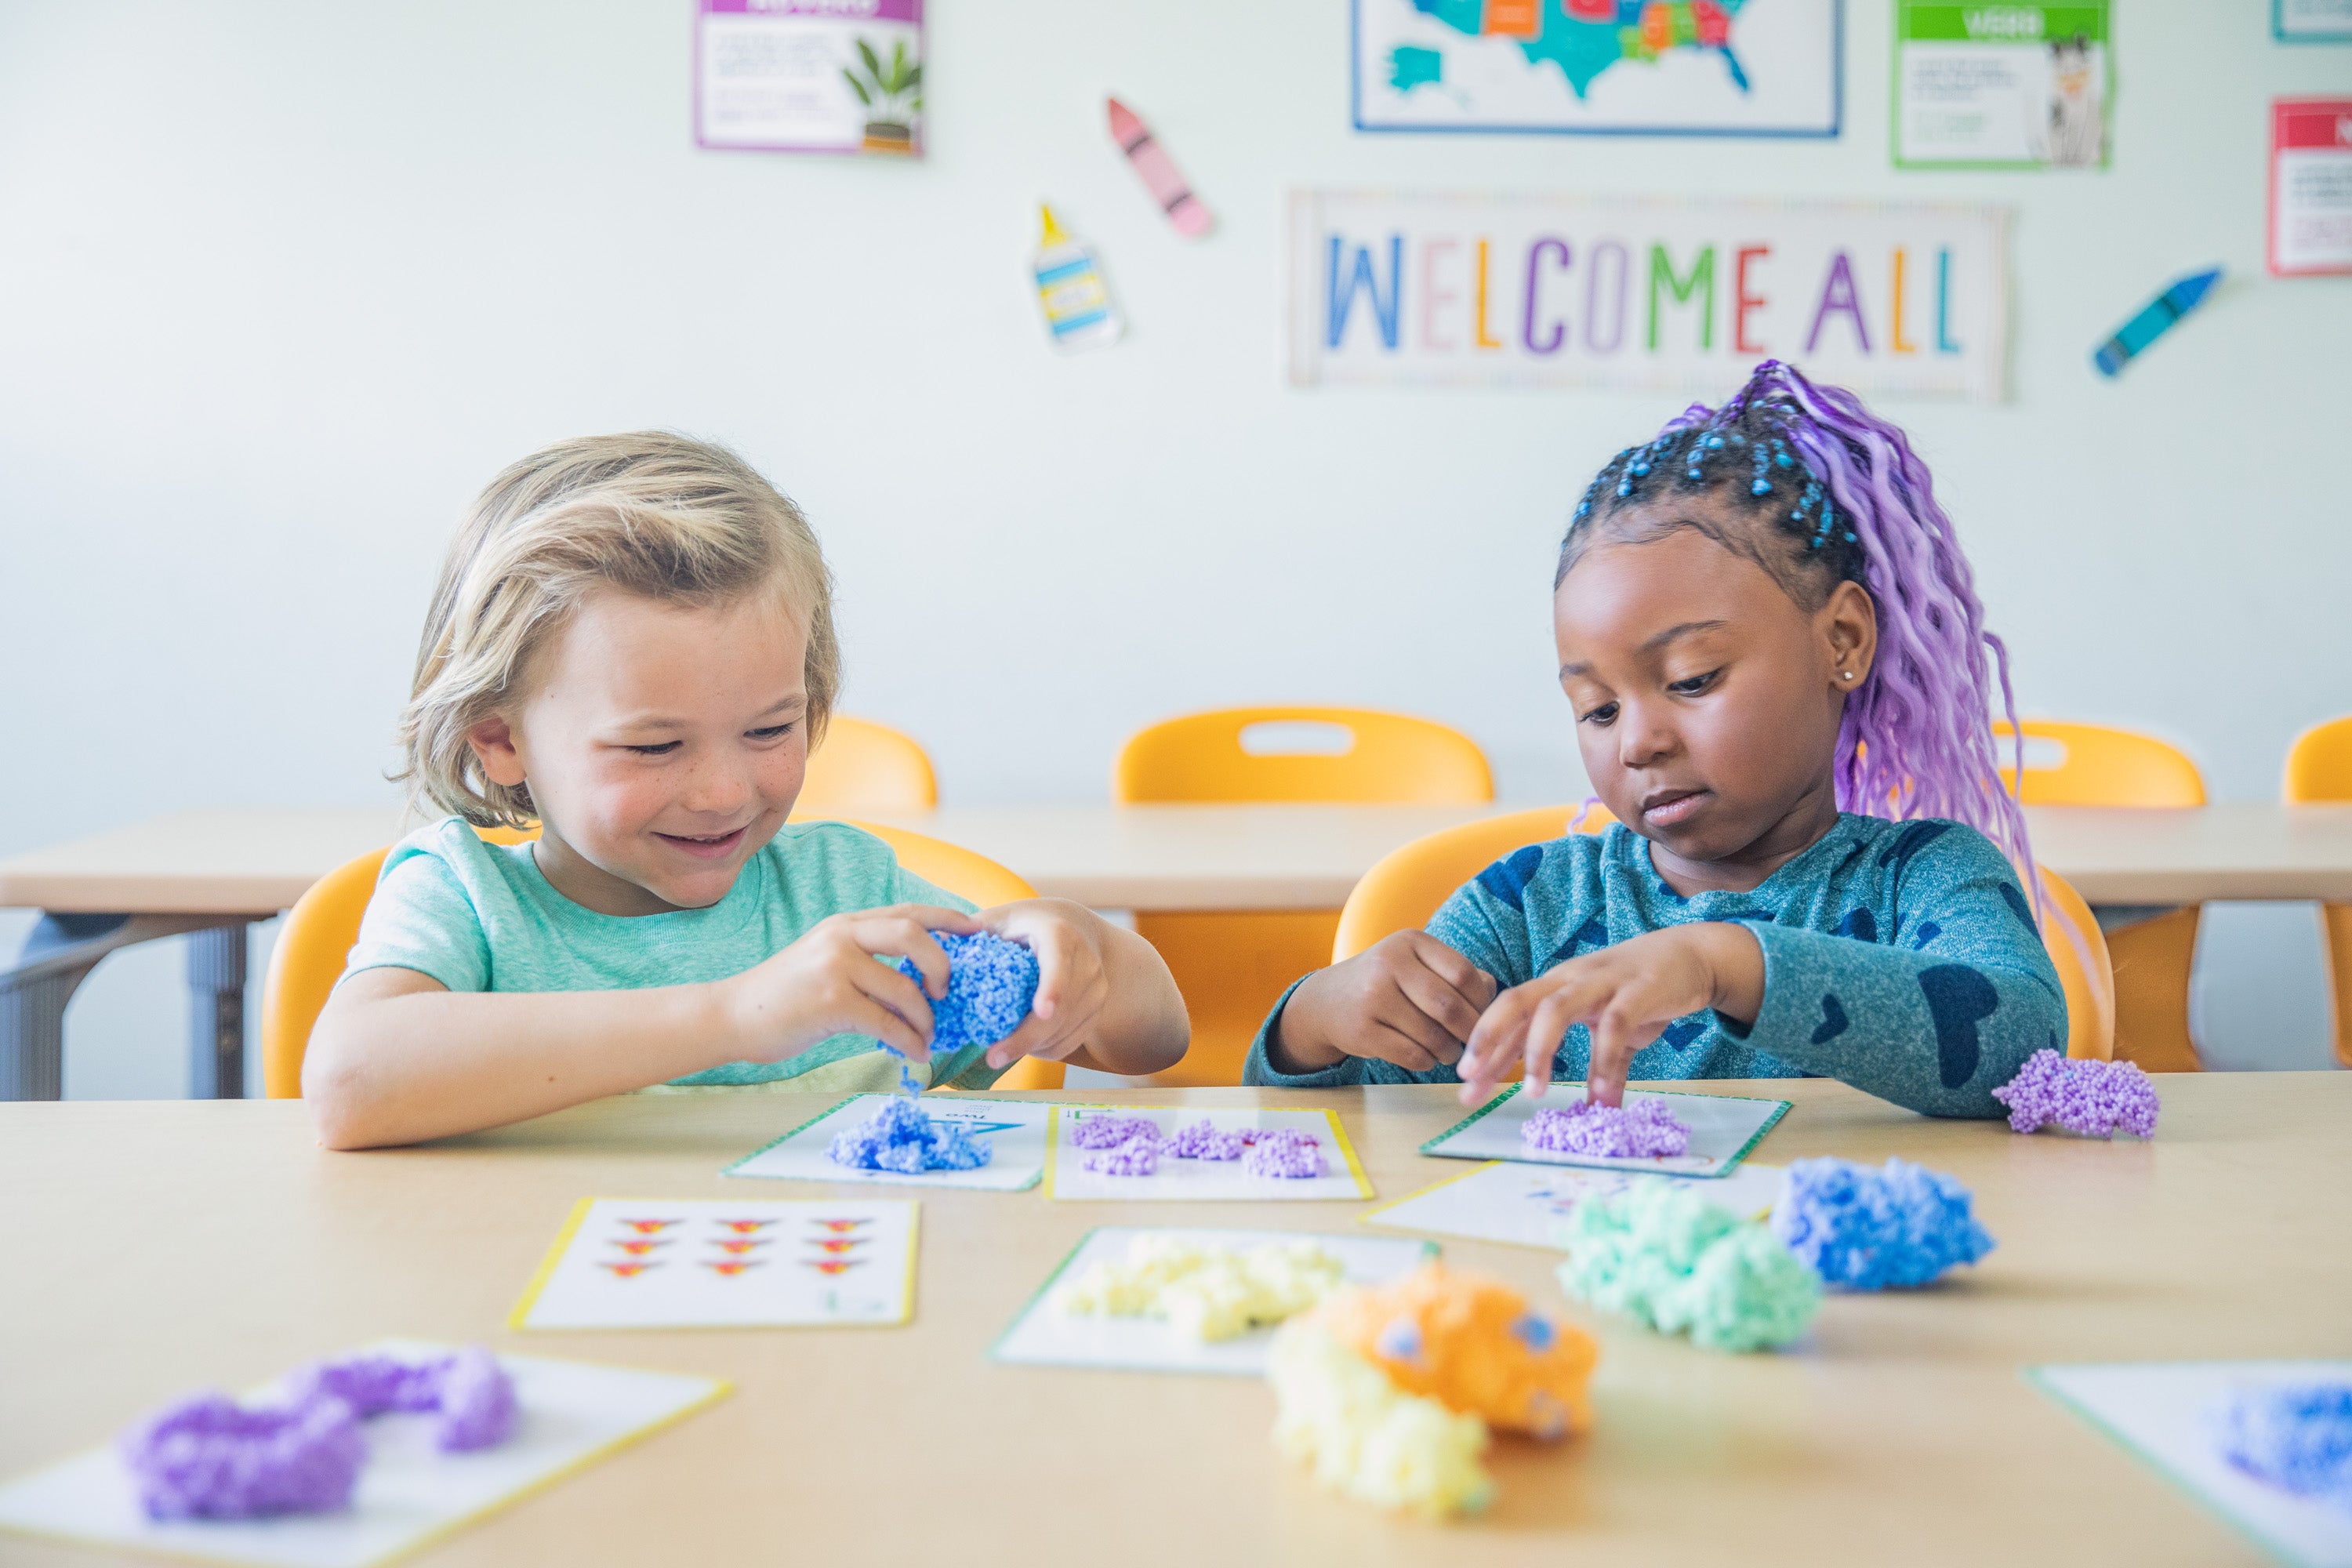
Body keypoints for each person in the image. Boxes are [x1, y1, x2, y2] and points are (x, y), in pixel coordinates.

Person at [307, 433, 1187, 1149]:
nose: (725, 791)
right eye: (654, 744)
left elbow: (1155, 1040)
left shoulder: (845, 896)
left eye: (770, 729)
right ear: (501, 740)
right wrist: (736, 1014)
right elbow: (352, 1082)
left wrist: (1088, 954)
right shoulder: (463, 897)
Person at [1247, 361, 2062, 1117]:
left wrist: (1720, 961)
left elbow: (2022, 1045)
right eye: (1598, 709)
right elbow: (1343, 1116)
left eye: (1693, 679)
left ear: (1842, 640)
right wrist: (1315, 1022)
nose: (1638, 742)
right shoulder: (1528, 910)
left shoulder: (1924, 877)